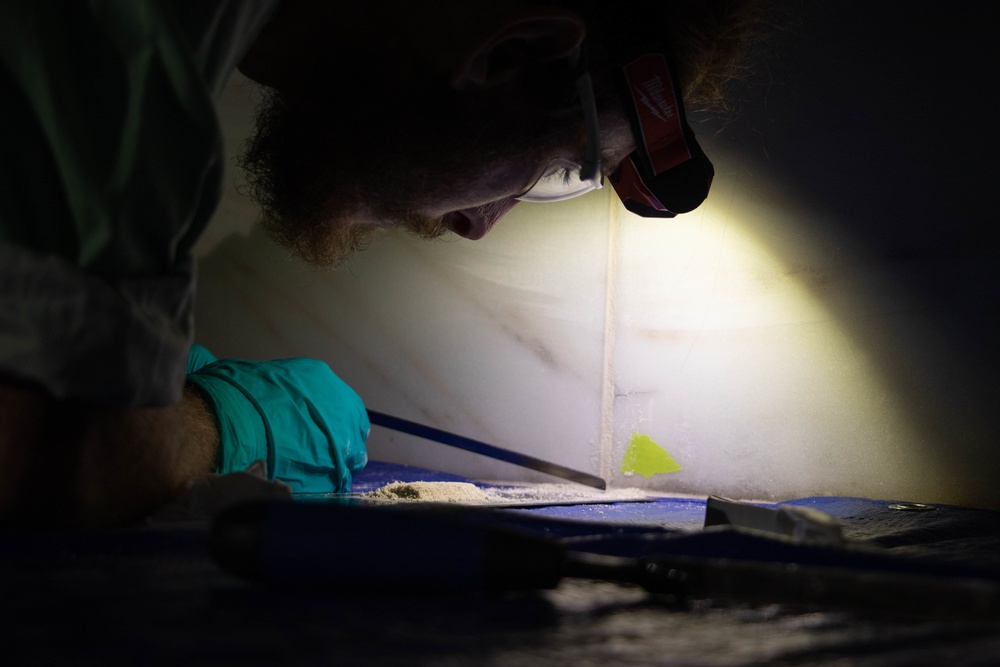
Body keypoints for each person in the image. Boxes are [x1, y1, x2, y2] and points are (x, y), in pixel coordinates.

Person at [0, 0, 767, 527]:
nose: (478, 224)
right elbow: (50, 462)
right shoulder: (132, 50)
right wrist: (228, 423)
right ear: (512, 51)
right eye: (553, 167)